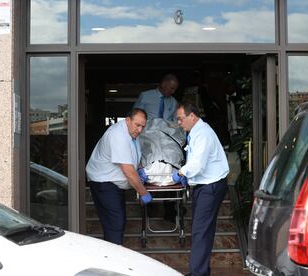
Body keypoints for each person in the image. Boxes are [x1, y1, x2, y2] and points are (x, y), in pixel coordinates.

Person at [173, 101, 229, 276]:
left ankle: (198, 273)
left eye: (181, 119)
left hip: (210, 187)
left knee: (200, 232)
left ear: (192, 116)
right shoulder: (196, 132)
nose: (179, 123)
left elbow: (197, 165)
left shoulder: (202, 133)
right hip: (205, 186)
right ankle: (201, 271)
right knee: (203, 231)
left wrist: (180, 173)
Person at [85, 108, 152, 245]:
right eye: (137, 125)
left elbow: (134, 159)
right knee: (115, 223)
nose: (139, 130)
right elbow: (127, 169)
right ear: (127, 120)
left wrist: (140, 170)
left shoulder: (132, 135)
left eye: (142, 127)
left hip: (114, 184)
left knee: (116, 222)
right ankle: (112, 259)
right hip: (104, 182)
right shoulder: (118, 135)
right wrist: (143, 192)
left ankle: (113, 254)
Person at [134, 73, 181, 222]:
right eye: (171, 88)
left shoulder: (173, 102)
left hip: (166, 139)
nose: (172, 92)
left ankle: (170, 210)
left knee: (170, 166)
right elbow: (135, 116)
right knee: (149, 166)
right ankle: (149, 207)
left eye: (174, 89)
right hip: (148, 137)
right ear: (164, 84)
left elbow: (175, 122)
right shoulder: (145, 96)